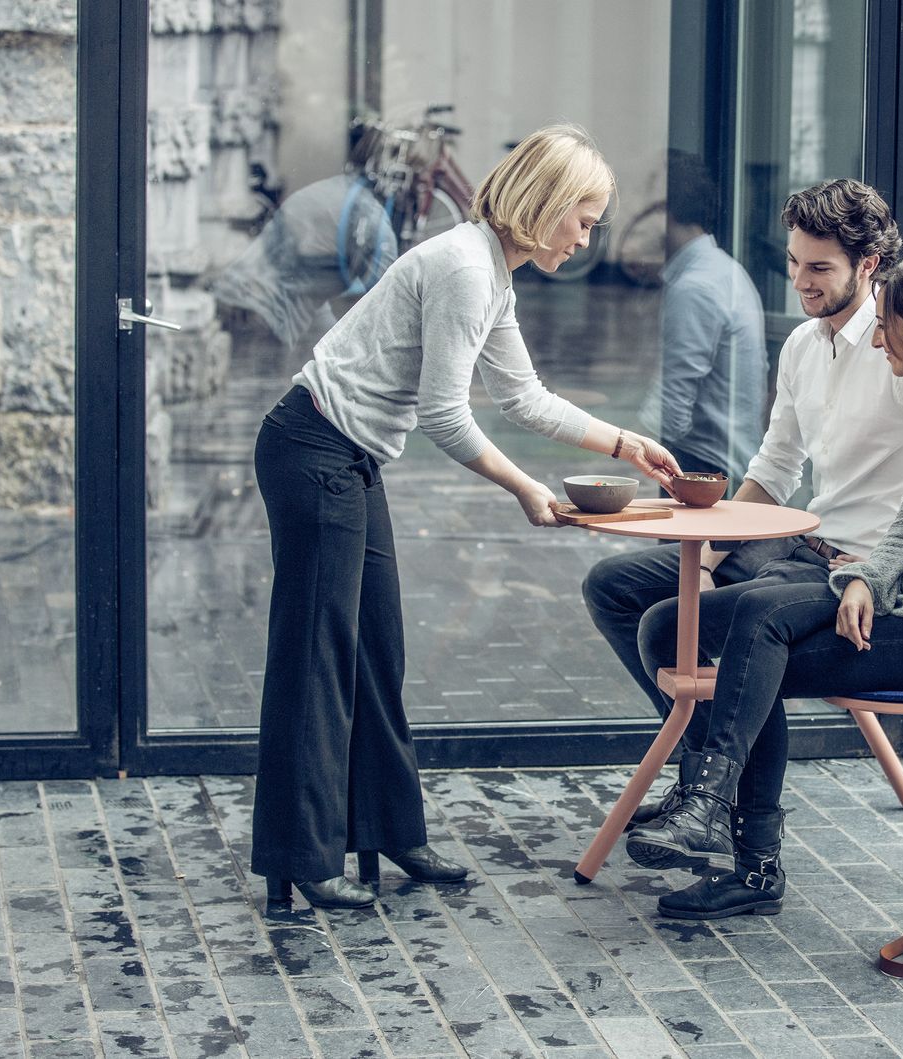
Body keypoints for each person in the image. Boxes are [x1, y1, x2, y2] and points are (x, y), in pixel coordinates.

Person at [252, 124, 680, 908]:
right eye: (582, 219)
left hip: (348, 457)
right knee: (318, 656)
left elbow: (523, 396)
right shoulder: (463, 268)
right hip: (313, 449)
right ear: (543, 203)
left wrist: (626, 444)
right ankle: (301, 860)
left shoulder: (491, 271)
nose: (587, 240)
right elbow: (447, 415)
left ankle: (387, 829)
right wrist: (525, 488)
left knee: (376, 648)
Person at [624, 253, 903, 918]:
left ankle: (740, 843)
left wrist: (875, 591)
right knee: (666, 625)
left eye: (888, 324)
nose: (878, 338)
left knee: (758, 641)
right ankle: (710, 800)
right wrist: (862, 581)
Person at [581, 178, 903, 917]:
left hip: (869, 573)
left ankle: (734, 827)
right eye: (796, 264)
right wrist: (708, 553)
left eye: (820, 269)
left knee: (743, 624)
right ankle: (708, 776)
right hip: (809, 546)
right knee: (622, 590)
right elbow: (773, 470)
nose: (800, 282)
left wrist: (873, 568)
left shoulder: (901, 352)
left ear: (869, 265)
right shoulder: (805, 346)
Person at [636, 151, 767, 485]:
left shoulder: (695, 287)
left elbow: (671, 411)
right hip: (724, 459)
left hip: (702, 465)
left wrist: (623, 453)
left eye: (646, 204)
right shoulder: (723, 270)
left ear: (665, 211)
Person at [212, 125, 403, 349]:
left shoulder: (338, 193)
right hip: (261, 308)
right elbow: (387, 301)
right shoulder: (367, 215)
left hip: (250, 299)